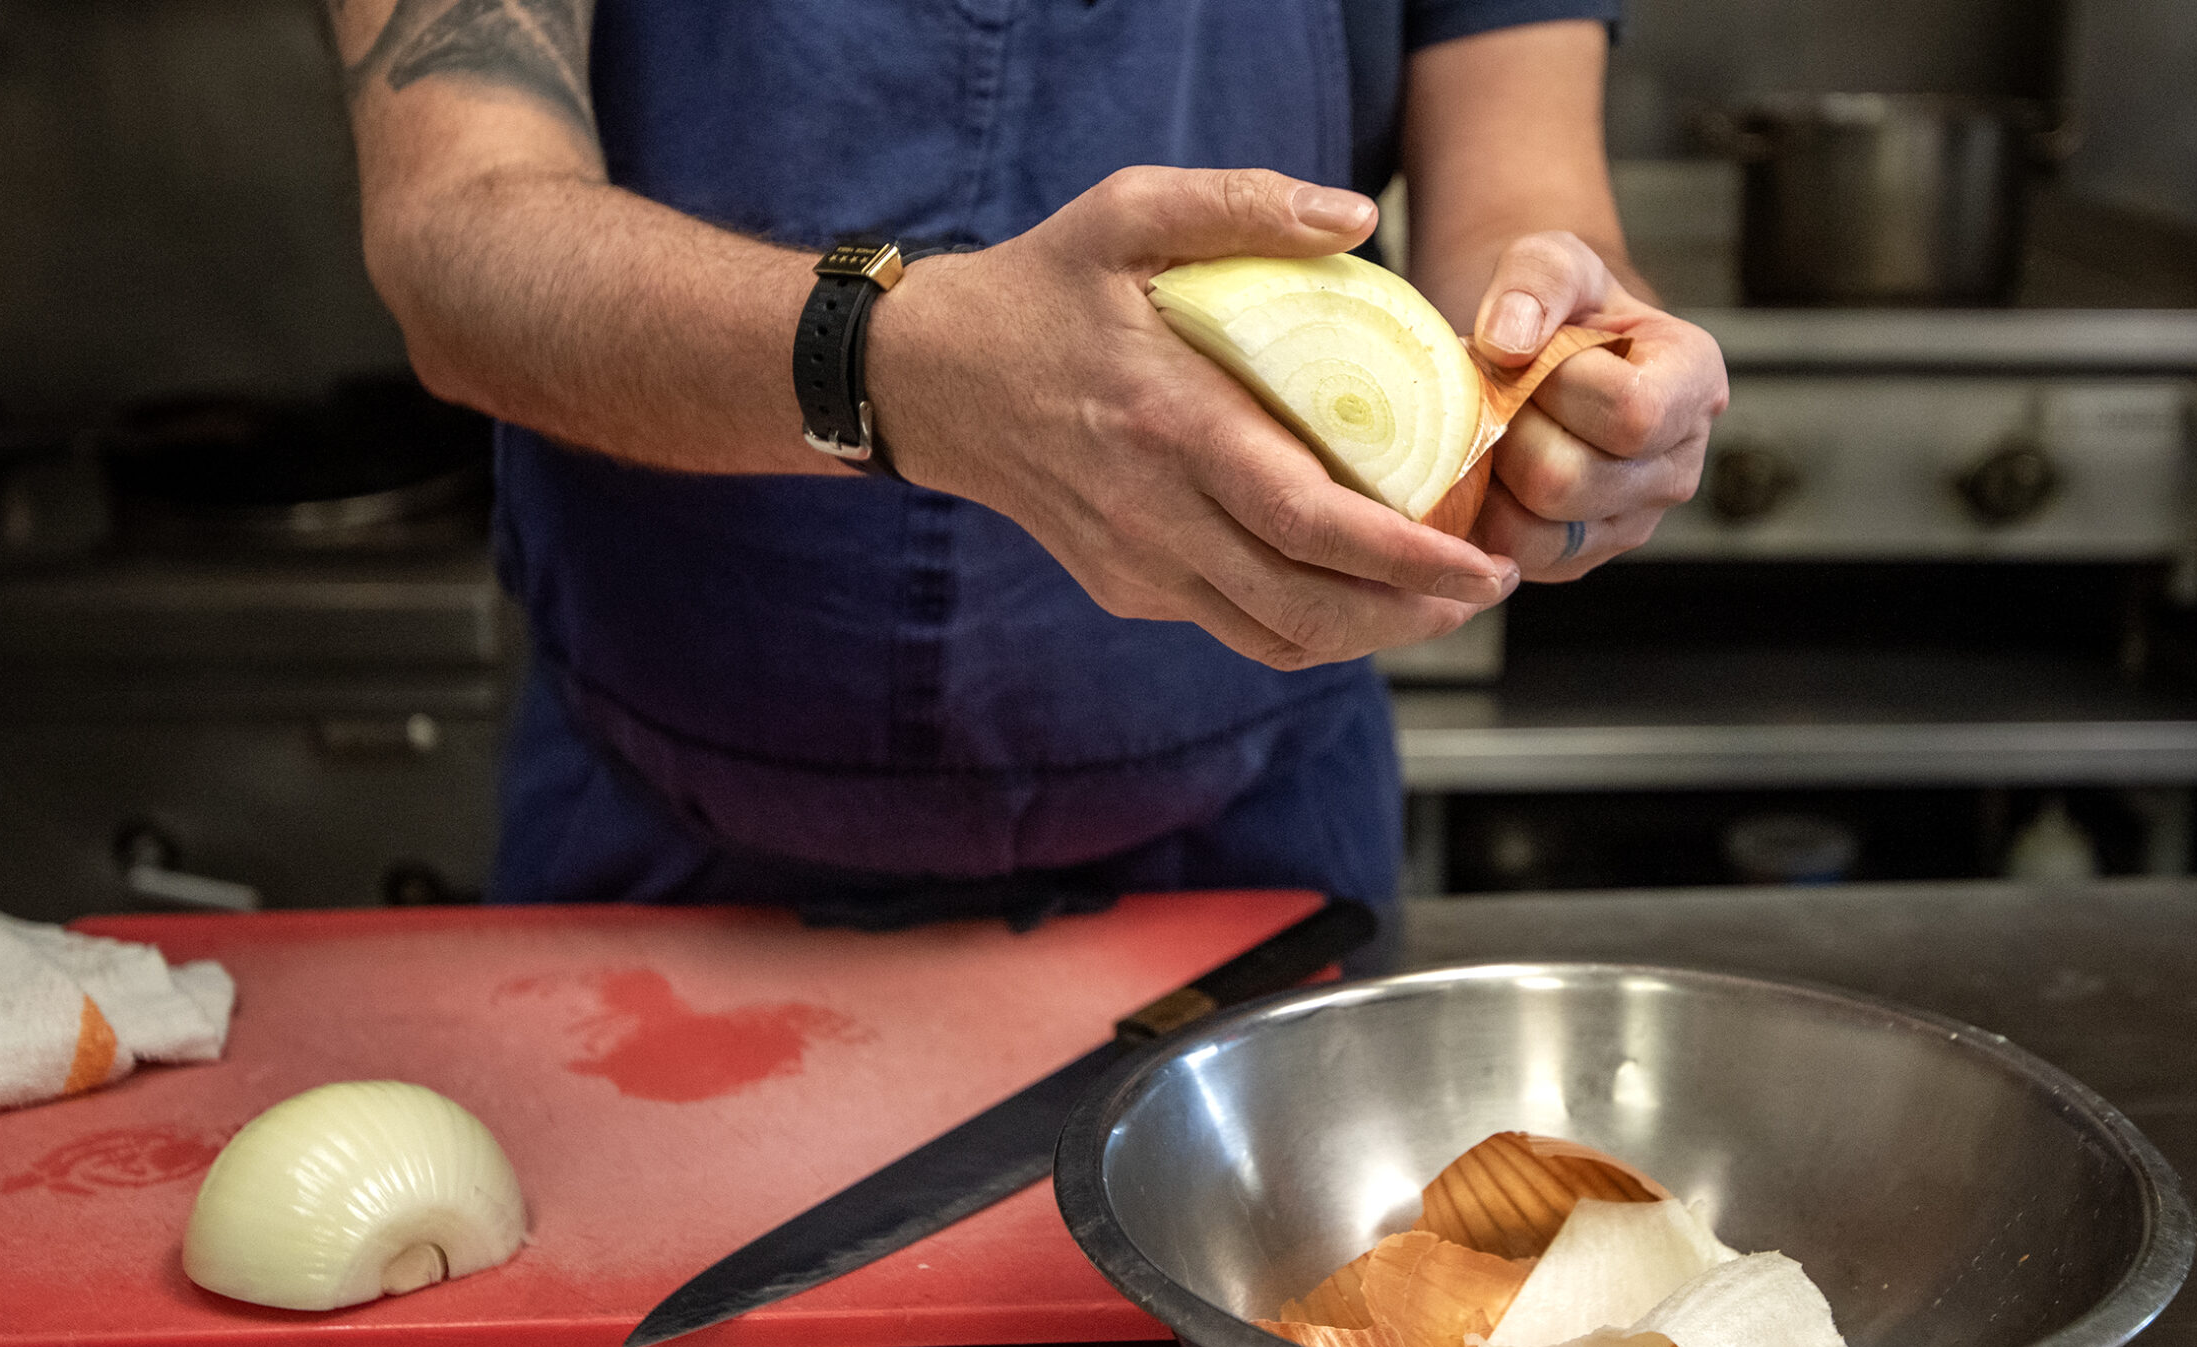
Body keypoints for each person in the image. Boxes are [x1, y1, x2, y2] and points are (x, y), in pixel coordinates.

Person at [329, 0, 1725, 932]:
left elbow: (1521, 199)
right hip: (659, 851)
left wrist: (1561, 367)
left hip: (1254, 864)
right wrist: (898, 362)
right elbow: (457, 234)